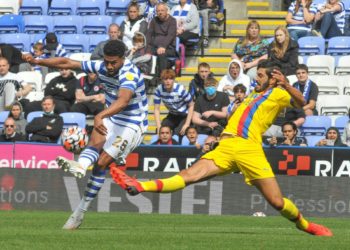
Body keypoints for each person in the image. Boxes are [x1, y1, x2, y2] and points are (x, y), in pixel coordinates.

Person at [112, 60, 333, 237]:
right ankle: (140, 186)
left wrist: (285, 84)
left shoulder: (278, 94)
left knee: (276, 202)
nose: (257, 78)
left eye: (262, 76)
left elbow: (302, 102)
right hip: (226, 144)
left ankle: (304, 224)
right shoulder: (251, 94)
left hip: (249, 149)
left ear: (273, 79)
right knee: (188, 175)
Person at [24, 39, 148, 230]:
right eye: (106, 61)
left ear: (123, 59)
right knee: (96, 145)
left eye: (113, 62)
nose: (109, 66)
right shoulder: (102, 66)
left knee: (102, 161)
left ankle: (80, 208)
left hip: (133, 123)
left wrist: (101, 114)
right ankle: (81, 168)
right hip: (113, 118)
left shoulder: (129, 74)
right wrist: (39, 61)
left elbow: (123, 101)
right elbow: (67, 63)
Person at [154, 69, 193, 136]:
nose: (168, 81)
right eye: (165, 79)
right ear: (162, 80)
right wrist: (158, 126)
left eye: (170, 79)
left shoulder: (180, 89)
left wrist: (187, 124)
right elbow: (156, 109)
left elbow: (191, 105)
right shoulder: (158, 90)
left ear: (174, 80)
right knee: (162, 132)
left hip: (184, 115)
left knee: (178, 133)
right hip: (172, 115)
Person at [146, 2, 177, 76]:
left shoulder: (172, 20)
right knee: (144, 54)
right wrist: (148, 48)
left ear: (166, 11)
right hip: (155, 47)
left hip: (168, 48)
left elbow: (170, 36)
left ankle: (163, 77)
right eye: (158, 11)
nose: (160, 12)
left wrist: (163, 46)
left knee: (161, 54)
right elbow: (149, 34)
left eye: (162, 10)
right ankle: (147, 78)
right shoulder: (154, 20)